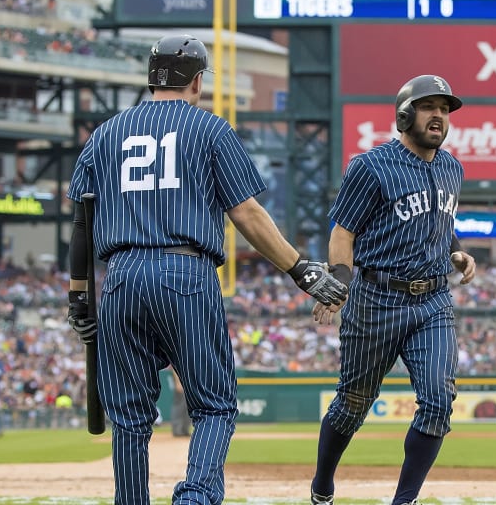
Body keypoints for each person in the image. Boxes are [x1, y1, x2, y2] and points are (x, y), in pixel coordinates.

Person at [65, 34, 349, 505]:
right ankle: (195, 497)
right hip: (185, 273)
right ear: (196, 80)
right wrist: (301, 270)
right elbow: (248, 214)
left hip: (119, 277)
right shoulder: (210, 129)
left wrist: (79, 296)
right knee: (215, 406)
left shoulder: (104, 135)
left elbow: (81, 224)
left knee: (131, 418)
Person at [308, 74, 477, 505]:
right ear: (405, 114)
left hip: (433, 300)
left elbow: (440, 221)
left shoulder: (452, 167)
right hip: (376, 299)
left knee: (439, 401)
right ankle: (322, 486)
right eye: (428, 107)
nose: (439, 115)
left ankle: (404, 501)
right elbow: (342, 233)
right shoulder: (369, 167)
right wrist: (338, 283)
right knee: (353, 403)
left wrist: (455, 251)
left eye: (445, 108)